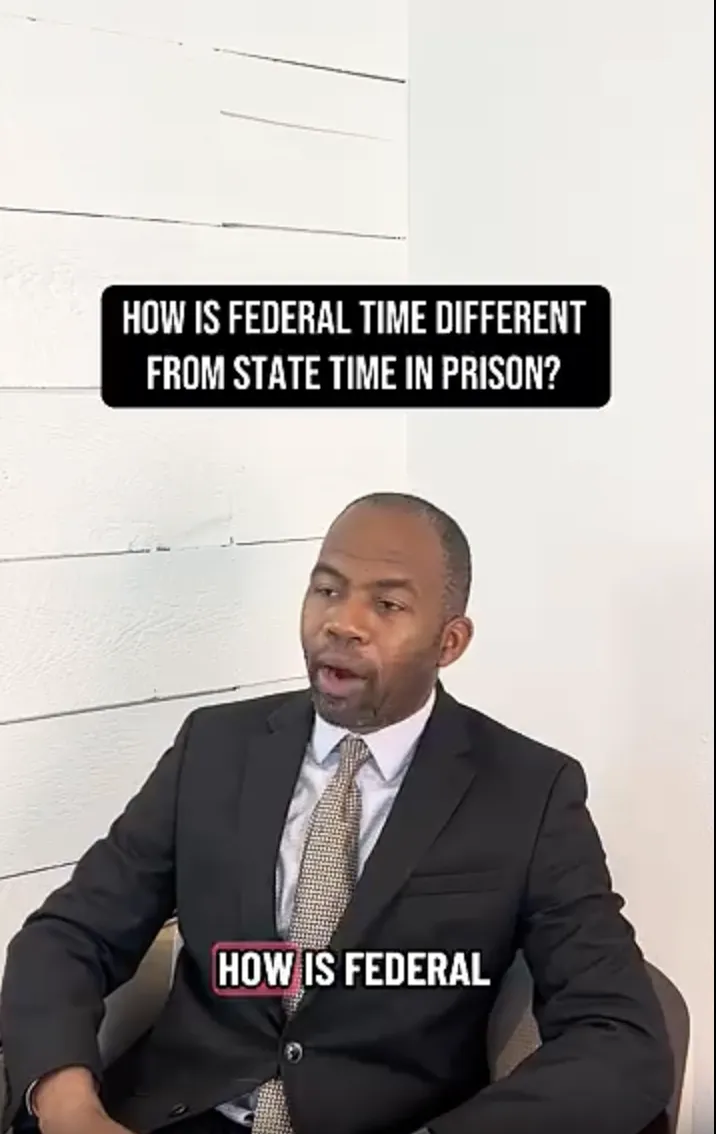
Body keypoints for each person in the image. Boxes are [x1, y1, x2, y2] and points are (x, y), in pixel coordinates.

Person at [0, 493, 673, 1134]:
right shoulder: (214, 747)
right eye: (326, 589)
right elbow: (69, 934)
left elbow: (619, 1036)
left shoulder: (529, 792)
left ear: (450, 642)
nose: (341, 622)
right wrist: (69, 1108)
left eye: (386, 604)